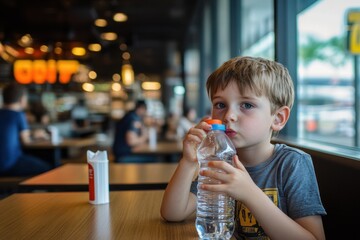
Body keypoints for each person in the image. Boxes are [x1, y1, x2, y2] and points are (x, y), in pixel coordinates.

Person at [160, 56, 326, 239]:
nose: (229, 115)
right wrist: (189, 162)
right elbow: (173, 213)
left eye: (247, 105)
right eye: (220, 105)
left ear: (278, 118)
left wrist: (249, 193)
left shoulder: (292, 163)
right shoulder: (221, 162)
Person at [0, 82, 52, 176]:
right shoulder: (18, 115)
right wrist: (36, 136)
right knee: (48, 168)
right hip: (10, 164)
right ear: (22, 99)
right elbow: (26, 141)